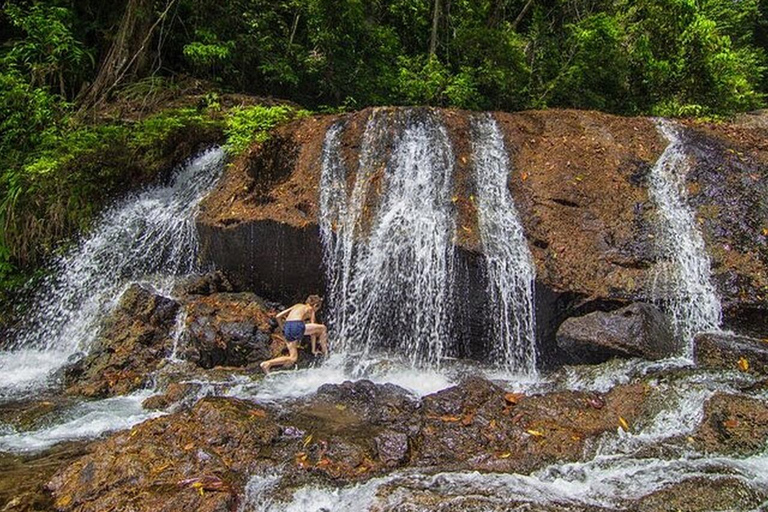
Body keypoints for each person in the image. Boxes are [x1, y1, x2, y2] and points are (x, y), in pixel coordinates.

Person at [259, 295, 328, 374]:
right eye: (317, 309)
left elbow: (278, 316)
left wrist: (283, 329)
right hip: (297, 325)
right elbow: (313, 333)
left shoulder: (297, 305)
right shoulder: (311, 309)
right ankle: (326, 353)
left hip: (287, 326)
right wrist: (313, 350)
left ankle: (267, 364)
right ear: (315, 305)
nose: (316, 311)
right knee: (323, 328)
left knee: (293, 358)